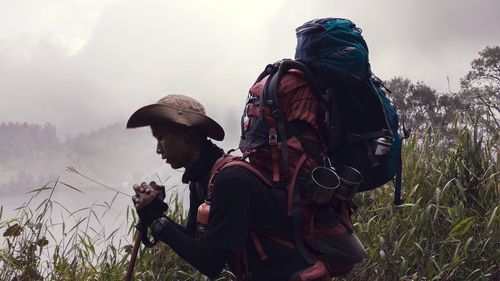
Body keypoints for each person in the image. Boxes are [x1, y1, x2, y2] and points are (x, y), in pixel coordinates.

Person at [126, 94, 319, 281]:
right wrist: (155, 214)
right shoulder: (201, 180)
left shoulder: (231, 181)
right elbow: (194, 241)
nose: (158, 149)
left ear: (185, 133)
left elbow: (211, 264)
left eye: (161, 138)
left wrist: (157, 221)